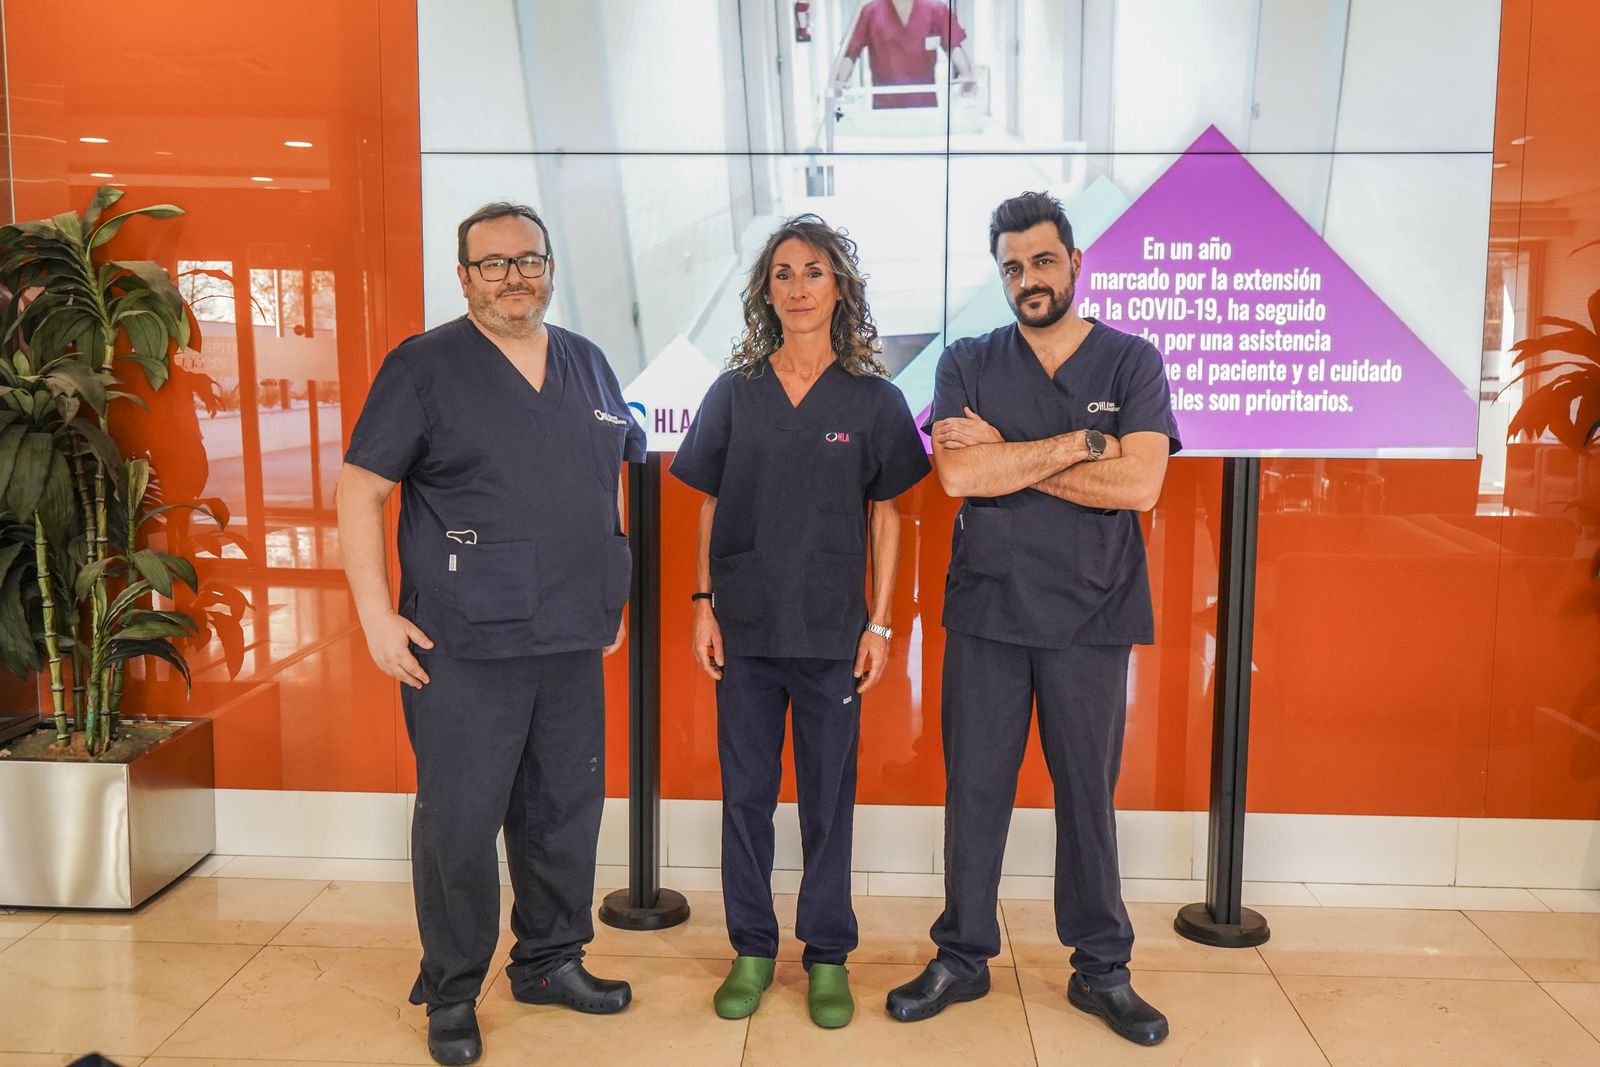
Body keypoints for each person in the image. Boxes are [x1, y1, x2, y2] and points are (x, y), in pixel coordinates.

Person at [337, 202, 643, 1066]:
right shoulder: (424, 366)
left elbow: (603, 482)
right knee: (461, 824)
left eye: (529, 259)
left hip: (571, 636)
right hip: (463, 644)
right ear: (464, 276)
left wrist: (610, 589)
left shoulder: (588, 362)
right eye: (494, 263)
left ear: (549, 267)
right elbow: (359, 490)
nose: (514, 276)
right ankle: (452, 988)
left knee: (564, 812)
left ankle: (549, 960)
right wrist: (375, 615)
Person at [885, 192, 1180, 1047]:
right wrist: (1084, 444)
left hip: (1094, 610)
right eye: (1012, 267)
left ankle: (1102, 968)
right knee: (975, 788)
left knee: (1087, 794)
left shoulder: (1131, 361)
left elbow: (1141, 485)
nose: (1028, 279)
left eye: (1043, 261)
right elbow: (957, 477)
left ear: (1075, 262)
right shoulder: (969, 360)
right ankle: (963, 955)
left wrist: (1010, 455)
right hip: (989, 607)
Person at [670, 215, 930, 1029]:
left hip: (831, 638)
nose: (798, 287)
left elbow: (887, 515)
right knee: (746, 798)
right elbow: (709, 503)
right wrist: (703, 605)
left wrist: (878, 625)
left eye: (814, 271)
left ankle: (826, 955)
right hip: (745, 633)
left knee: (826, 801)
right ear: (765, 293)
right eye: (782, 273)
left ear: (840, 288)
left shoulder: (874, 400)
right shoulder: (735, 393)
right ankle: (752, 947)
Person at [830, 0, 977, 109]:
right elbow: (851, 52)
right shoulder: (871, 12)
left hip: (924, 106)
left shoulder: (936, 10)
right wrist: (840, 82)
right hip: (885, 107)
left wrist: (965, 75)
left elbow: (954, 46)